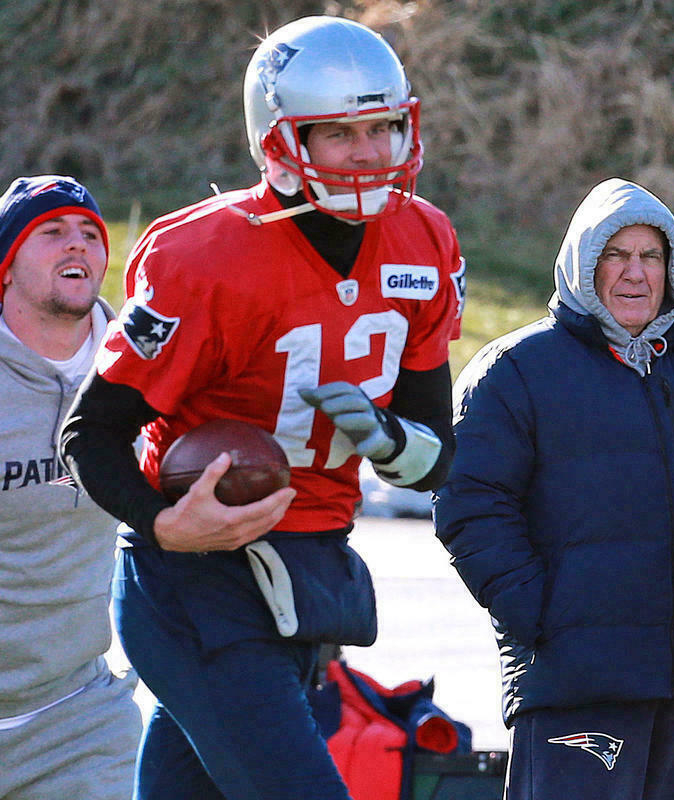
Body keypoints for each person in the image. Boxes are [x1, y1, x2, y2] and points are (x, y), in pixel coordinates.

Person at [59, 16, 465, 800]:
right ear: (280, 142)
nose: (370, 152)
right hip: (195, 585)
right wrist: (163, 522)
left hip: (309, 580)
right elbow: (91, 432)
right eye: (339, 133)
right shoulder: (205, 257)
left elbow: (435, 458)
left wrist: (388, 439)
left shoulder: (424, 240)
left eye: (382, 127)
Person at [433, 178, 674, 800]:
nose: (635, 273)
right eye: (615, 255)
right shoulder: (516, 370)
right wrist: (539, 614)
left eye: (651, 256)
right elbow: (470, 505)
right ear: (582, 265)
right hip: (577, 680)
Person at [0, 175, 142, 798]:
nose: (77, 243)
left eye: (90, 233)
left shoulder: (140, 368)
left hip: (77, 718)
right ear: (6, 266)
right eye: (51, 231)